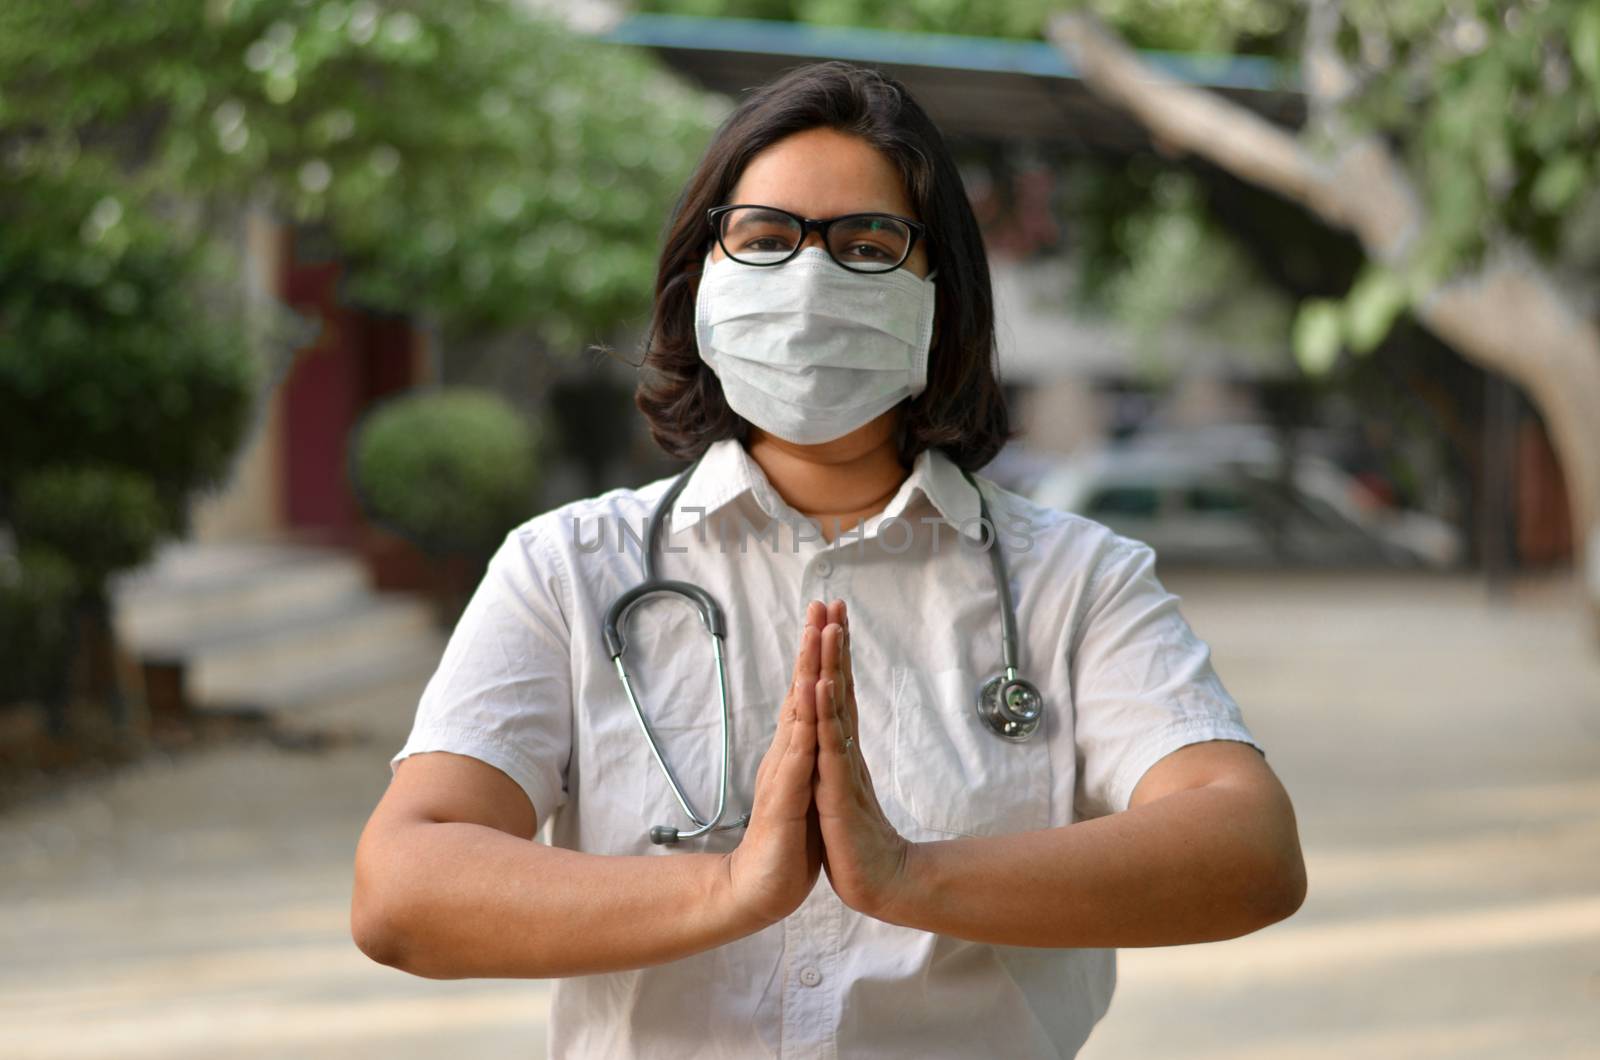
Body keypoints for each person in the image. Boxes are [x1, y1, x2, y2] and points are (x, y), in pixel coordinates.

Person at [352, 61, 1306, 1059]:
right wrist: (729, 887)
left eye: (866, 244)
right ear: (701, 283)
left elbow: (1250, 848)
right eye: (764, 240)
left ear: (941, 294)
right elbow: (400, 888)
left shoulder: (1076, 582)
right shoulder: (567, 568)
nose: (809, 282)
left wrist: (907, 876)